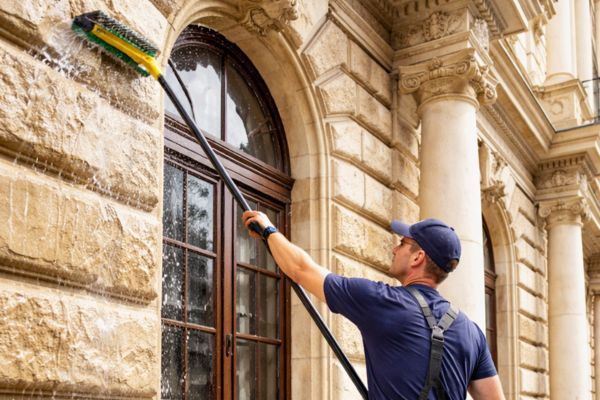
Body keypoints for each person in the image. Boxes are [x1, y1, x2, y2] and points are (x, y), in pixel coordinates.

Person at [242, 211, 506, 400]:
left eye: (403, 243)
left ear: (418, 257)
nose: (394, 249)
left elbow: (301, 269)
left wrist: (268, 230)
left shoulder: (382, 302)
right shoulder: (471, 332)